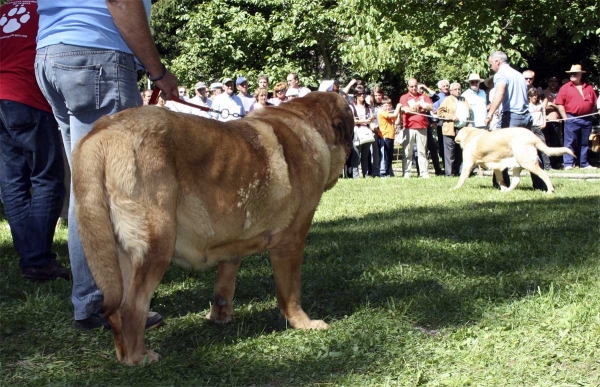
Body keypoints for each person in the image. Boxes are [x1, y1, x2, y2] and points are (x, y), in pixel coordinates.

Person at [35, 0, 178, 329]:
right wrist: (157, 71)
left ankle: (92, 299)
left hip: (51, 56)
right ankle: (107, 301)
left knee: (87, 189)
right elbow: (121, 3)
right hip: (96, 58)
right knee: (108, 191)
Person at [0, 0, 69, 281]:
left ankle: (31, 255)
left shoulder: (3, 12)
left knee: (12, 182)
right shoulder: (49, 9)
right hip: (28, 97)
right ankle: (37, 260)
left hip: (2, 97)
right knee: (47, 179)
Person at [484, 51, 539, 189]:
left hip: (511, 117)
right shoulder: (519, 75)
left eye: (491, 63)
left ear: (497, 61)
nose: (491, 67)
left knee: (498, 148)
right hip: (525, 116)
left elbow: (500, 93)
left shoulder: (501, 75)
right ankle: (540, 184)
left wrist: (490, 114)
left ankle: (501, 183)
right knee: (530, 149)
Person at [555, 65, 598, 170]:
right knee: (569, 142)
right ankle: (568, 164)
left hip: (586, 119)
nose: (572, 75)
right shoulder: (565, 88)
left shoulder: (588, 87)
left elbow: (594, 104)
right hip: (571, 117)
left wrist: (591, 115)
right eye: (571, 74)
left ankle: (583, 163)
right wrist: (565, 117)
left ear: (580, 74)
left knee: (584, 142)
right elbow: (560, 104)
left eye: (574, 73)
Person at [437, 82, 472, 177]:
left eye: (459, 89)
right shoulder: (447, 100)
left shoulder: (464, 100)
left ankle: (460, 172)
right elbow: (439, 113)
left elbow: (469, 112)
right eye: (455, 89)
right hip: (450, 129)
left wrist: (469, 123)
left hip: (462, 129)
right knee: (449, 153)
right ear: (451, 91)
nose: (458, 91)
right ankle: (449, 173)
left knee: (460, 152)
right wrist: (451, 116)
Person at [400, 78, 433, 178]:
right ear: (408, 87)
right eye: (411, 86)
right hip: (409, 127)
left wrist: (419, 106)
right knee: (407, 151)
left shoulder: (424, 96)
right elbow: (405, 110)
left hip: (422, 126)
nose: (414, 88)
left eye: (415, 86)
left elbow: (431, 107)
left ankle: (424, 172)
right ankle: (407, 172)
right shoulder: (404, 97)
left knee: (422, 151)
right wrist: (420, 107)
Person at [377, 96, 402, 177]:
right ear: (382, 106)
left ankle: (388, 172)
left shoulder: (390, 114)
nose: (388, 107)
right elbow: (394, 114)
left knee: (389, 156)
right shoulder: (382, 112)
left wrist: (400, 112)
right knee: (385, 156)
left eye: (389, 105)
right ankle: (383, 172)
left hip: (391, 136)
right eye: (385, 105)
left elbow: (397, 122)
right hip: (384, 136)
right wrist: (398, 106)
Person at [527, 88, 550, 170]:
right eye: (532, 95)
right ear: (529, 96)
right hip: (530, 128)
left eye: (535, 95)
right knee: (530, 148)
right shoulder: (527, 106)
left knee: (543, 146)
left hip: (539, 127)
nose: (534, 97)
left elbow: (544, 114)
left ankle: (547, 166)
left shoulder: (540, 104)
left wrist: (544, 123)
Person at [543, 76, 562, 169]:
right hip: (546, 121)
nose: (553, 83)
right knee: (546, 142)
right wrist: (557, 106)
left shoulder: (560, 93)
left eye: (555, 81)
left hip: (557, 121)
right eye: (551, 81)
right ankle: (546, 163)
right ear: (548, 82)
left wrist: (552, 105)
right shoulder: (544, 93)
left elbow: (563, 106)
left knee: (555, 142)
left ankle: (555, 163)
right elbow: (543, 107)